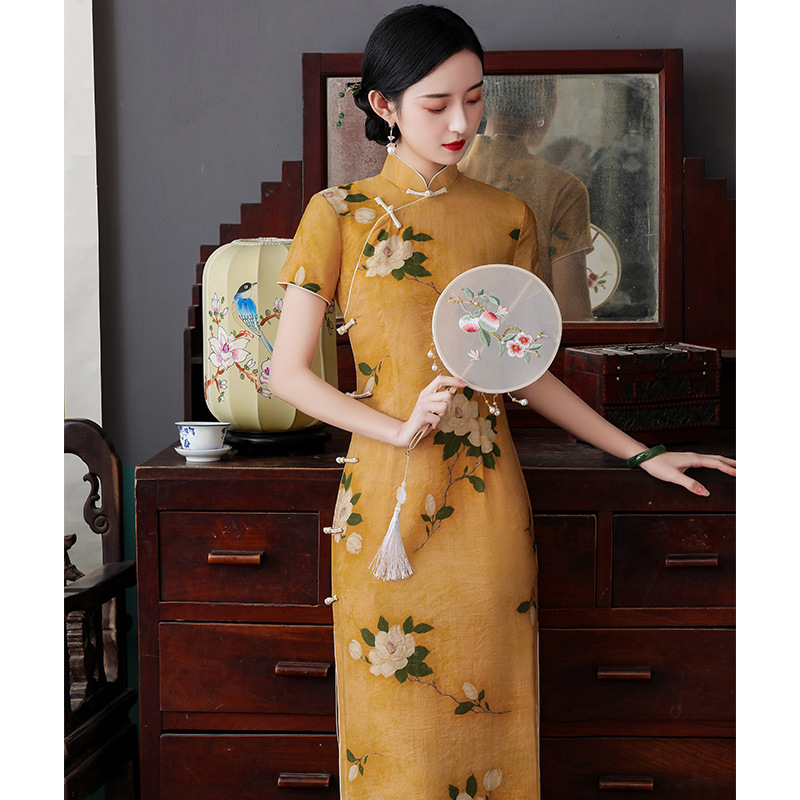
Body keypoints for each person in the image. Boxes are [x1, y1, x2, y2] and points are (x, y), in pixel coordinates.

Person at [269, 6, 736, 797]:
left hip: (486, 504)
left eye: (474, 98)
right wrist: (396, 427)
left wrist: (644, 453)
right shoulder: (338, 214)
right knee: (396, 735)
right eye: (436, 104)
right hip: (387, 502)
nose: (462, 123)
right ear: (384, 105)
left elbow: (526, 372)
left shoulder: (505, 218)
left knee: (494, 710)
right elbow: (286, 375)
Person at [460, 75, 596, 320]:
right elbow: (574, 317)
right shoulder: (563, 190)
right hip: (533, 340)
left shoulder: (444, 179)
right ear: (547, 104)